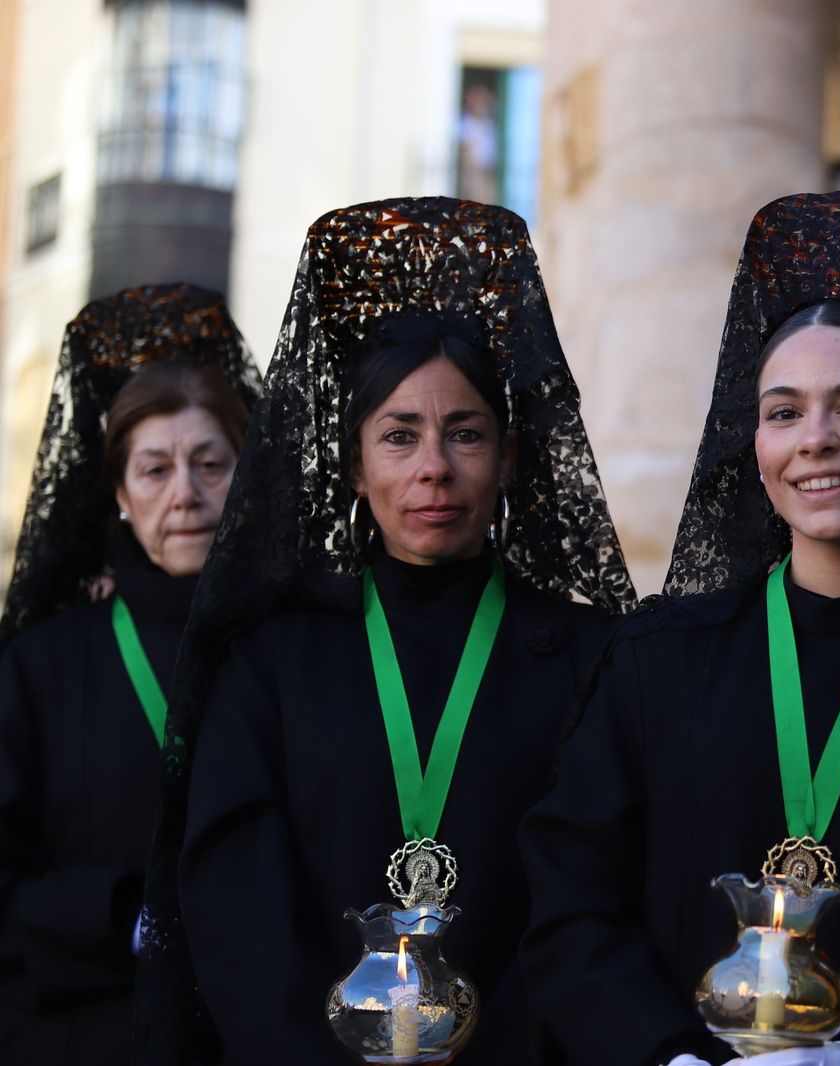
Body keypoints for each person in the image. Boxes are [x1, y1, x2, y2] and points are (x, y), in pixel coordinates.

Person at [521, 180, 840, 1066]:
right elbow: (573, 907)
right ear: (753, 446)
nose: (816, 439)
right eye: (784, 412)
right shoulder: (658, 658)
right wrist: (666, 1056)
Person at [133, 198, 635, 1066]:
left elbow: (595, 887)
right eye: (399, 436)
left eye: (466, 433)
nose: (434, 467)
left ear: (509, 460)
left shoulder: (590, 656)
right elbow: (235, 898)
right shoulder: (272, 655)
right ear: (356, 467)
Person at [0, 284, 259, 1065]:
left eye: (210, 463)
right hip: (87, 1036)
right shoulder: (43, 665)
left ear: (247, 475)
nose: (185, 494)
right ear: (117, 493)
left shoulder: (295, 642)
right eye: (154, 470)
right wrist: (127, 917)